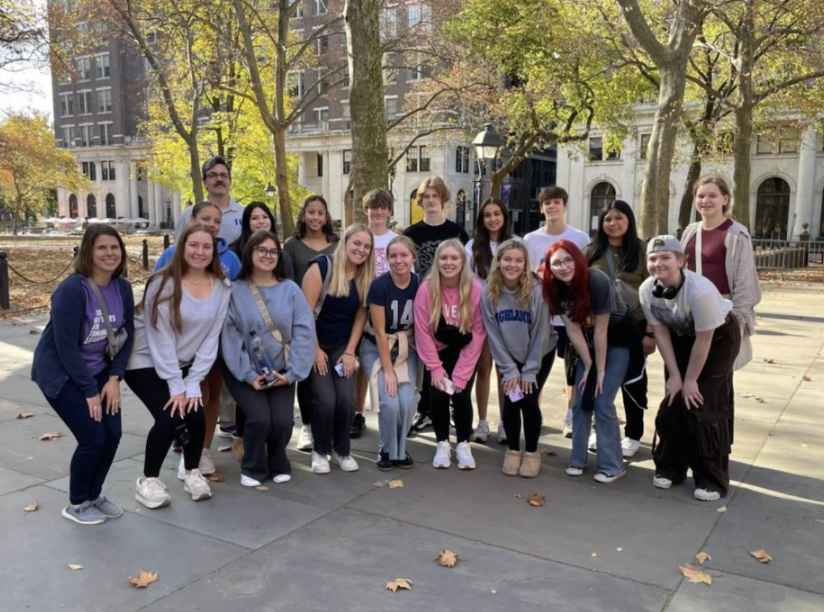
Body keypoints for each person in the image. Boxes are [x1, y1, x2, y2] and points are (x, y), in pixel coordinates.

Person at [31, 225, 135, 525]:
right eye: (102, 247)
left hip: (101, 371)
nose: (110, 253)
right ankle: (77, 502)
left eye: (114, 247)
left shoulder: (123, 288)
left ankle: (94, 495)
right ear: (88, 251)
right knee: (92, 436)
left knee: (112, 434)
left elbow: (126, 336)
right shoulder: (71, 290)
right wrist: (90, 391)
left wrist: (115, 378)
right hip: (61, 373)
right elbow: (66, 348)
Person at [126, 223, 231, 508]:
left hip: (184, 362)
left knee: (195, 412)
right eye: (193, 245)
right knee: (169, 416)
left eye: (206, 246)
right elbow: (160, 338)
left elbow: (211, 338)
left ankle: (192, 472)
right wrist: (176, 385)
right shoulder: (163, 283)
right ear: (182, 247)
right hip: (144, 359)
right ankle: (147, 481)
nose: (200, 251)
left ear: (214, 251)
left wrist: (194, 381)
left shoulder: (222, 287)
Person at [640, 236, 740, 501]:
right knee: (673, 399)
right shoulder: (647, 290)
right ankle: (670, 467)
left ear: (681, 262)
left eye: (665, 258)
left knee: (700, 402)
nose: (658, 263)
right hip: (680, 337)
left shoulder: (701, 291)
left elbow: (705, 339)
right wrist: (674, 375)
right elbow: (660, 333)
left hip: (717, 339)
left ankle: (711, 478)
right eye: (652, 258)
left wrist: (691, 379)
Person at [221, 231, 315, 486]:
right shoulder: (235, 291)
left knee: (283, 421)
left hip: (281, 370)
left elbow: (304, 332)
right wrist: (249, 376)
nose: (267, 256)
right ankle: (253, 466)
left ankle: (278, 461)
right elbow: (230, 337)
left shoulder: (291, 290)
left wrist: (291, 374)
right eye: (261, 250)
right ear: (250, 253)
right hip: (243, 371)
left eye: (273, 251)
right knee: (260, 418)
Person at [155, 200, 240, 474]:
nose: (212, 225)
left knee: (210, 394)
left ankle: (203, 449)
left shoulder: (229, 258)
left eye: (216, 221)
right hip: (178, 344)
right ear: (192, 218)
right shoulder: (171, 254)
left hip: (215, 340)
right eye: (206, 218)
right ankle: (185, 444)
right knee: (187, 395)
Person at [543, 240, 636, 484]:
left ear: (578, 258)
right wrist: (588, 365)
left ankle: (613, 466)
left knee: (602, 399)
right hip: (587, 341)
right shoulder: (553, 288)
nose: (563, 267)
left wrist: (600, 369)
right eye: (556, 263)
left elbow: (602, 329)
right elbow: (573, 330)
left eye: (567, 260)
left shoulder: (597, 280)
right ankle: (577, 459)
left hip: (618, 339)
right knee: (581, 397)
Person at [681, 175, 761, 442]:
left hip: (722, 317)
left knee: (717, 385)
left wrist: (736, 321)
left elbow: (744, 281)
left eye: (712, 195)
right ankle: (692, 441)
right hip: (691, 317)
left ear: (725, 199)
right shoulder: (690, 232)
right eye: (701, 196)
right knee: (689, 380)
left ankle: (717, 443)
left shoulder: (736, 233)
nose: (706, 201)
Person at [584, 200, 655, 458]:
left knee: (633, 379)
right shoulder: (591, 251)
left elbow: (654, 296)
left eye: (618, 218)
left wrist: (650, 332)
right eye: (607, 219)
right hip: (600, 326)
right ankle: (598, 428)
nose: (613, 224)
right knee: (598, 379)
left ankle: (634, 433)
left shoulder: (643, 251)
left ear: (629, 220)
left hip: (634, 326)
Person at [301, 224, 374, 474]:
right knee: (325, 398)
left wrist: (351, 351)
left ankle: (342, 450)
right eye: (357, 243)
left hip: (343, 345)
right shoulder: (321, 267)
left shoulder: (365, 275)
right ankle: (320, 451)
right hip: (314, 341)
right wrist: (314, 349)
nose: (361, 250)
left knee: (345, 398)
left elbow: (360, 316)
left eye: (367, 246)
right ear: (345, 242)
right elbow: (304, 313)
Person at [481, 240, 556, 477]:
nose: (512, 264)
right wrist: (509, 369)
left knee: (529, 400)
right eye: (508, 259)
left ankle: (532, 452)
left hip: (539, 353)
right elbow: (493, 334)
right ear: (499, 262)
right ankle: (513, 450)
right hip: (509, 356)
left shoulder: (537, 289)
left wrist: (530, 370)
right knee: (512, 400)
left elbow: (541, 333)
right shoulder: (489, 291)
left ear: (525, 264)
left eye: (518, 260)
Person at [403, 176, 469, 433]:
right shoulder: (411, 233)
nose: (430, 201)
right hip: (422, 303)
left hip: (452, 303)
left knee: (453, 354)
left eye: (435, 196)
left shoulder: (457, 233)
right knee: (426, 358)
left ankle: (453, 406)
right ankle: (425, 410)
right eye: (426, 197)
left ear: (443, 200)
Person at [414, 239, 486, 470]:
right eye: (444, 258)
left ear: (462, 261)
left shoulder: (475, 289)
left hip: (464, 351)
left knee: (462, 396)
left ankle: (464, 444)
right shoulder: (426, 288)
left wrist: (462, 374)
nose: (449, 262)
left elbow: (478, 333)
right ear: (437, 261)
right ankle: (442, 443)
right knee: (438, 397)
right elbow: (422, 331)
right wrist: (435, 368)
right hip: (436, 352)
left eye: (454, 258)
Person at [524, 186, 590, 438]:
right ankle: (534, 413)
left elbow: (585, 274)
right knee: (538, 367)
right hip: (541, 314)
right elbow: (527, 274)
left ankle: (571, 414)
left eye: (556, 202)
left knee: (571, 369)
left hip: (571, 314)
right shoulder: (530, 240)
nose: (552, 207)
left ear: (565, 206)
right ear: (541, 208)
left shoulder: (580, 238)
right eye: (547, 203)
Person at [359, 236, 421, 470]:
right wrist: (389, 370)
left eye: (404, 255)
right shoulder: (379, 286)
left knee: (406, 402)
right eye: (393, 256)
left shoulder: (419, 283)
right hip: (376, 348)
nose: (398, 260)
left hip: (406, 349)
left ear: (413, 257)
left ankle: (399, 447)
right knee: (389, 401)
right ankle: (386, 448)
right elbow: (379, 332)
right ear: (387, 259)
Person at [284, 195, 339, 451]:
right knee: (304, 375)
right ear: (303, 215)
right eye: (311, 212)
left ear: (326, 217)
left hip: (334, 320)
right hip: (301, 319)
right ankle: (305, 428)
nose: (316, 217)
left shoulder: (337, 245)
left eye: (320, 213)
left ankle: (329, 428)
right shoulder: (292, 246)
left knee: (329, 381)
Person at [466, 197, 518, 444]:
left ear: (505, 216)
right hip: (482, 315)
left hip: (509, 317)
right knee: (483, 369)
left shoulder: (518, 244)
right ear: (481, 219)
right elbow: (468, 281)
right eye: (487, 215)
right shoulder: (473, 246)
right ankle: (483, 422)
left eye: (497, 214)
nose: (493, 219)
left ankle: (505, 422)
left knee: (505, 370)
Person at [351, 189, 401, 440]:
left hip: (388, 310)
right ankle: (358, 412)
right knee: (361, 363)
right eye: (374, 207)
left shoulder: (395, 240)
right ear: (366, 209)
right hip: (360, 306)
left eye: (383, 207)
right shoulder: (360, 237)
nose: (379, 212)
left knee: (385, 362)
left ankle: (386, 410)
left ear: (390, 210)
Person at [175, 155, 245, 245]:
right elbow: (177, 251)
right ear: (205, 183)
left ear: (230, 182)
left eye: (224, 175)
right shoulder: (188, 215)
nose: (219, 179)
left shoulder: (245, 214)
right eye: (213, 175)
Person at [230, 201, 295, 280]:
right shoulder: (233, 253)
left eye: (265, 217)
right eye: (254, 218)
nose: (261, 221)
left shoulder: (282, 256)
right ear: (247, 223)